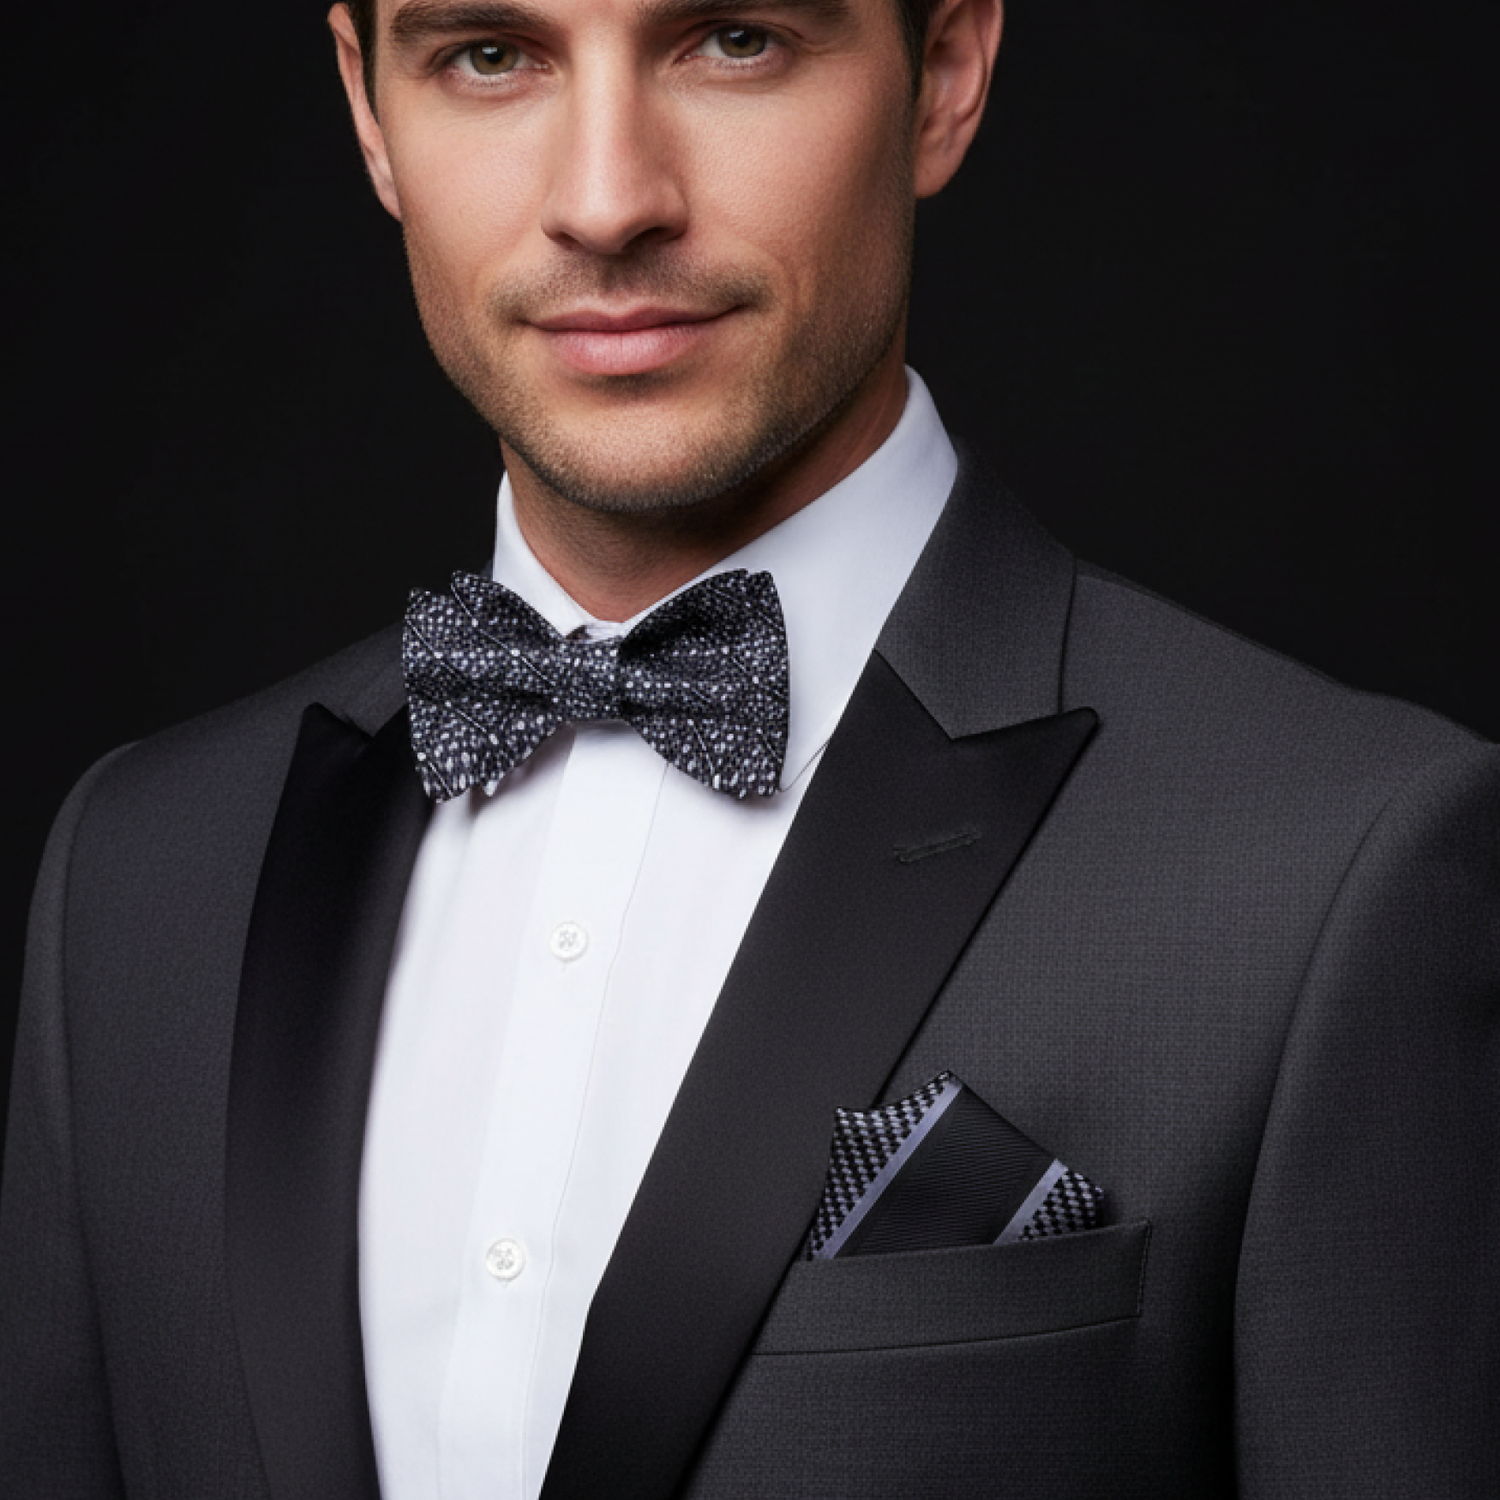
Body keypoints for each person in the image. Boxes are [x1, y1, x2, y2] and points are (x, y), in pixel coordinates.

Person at [1, 0, 1495, 1493]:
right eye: (490, 55)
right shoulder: (137, 873)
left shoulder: (1338, 872)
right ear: (369, 107)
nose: (606, 201)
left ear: (947, 73)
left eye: (733, 41)